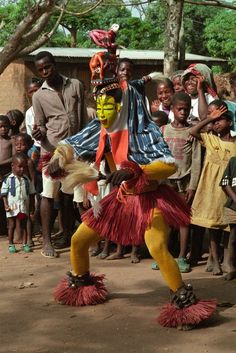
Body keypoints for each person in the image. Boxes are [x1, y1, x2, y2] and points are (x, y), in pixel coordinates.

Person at [49, 66, 216, 330]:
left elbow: (168, 164)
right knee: (79, 241)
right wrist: (59, 159)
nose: (102, 113)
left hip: (151, 200)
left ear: (122, 106)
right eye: (99, 106)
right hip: (120, 199)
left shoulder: (143, 129)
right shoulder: (99, 129)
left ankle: (185, 302)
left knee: (157, 247)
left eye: (107, 107)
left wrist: (135, 170)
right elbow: (69, 144)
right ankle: (81, 285)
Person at [32, 51, 88, 258]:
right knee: (48, 194)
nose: (45, 71)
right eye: (41, 69)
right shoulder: (38, 96)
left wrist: (85, 147)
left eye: (48, 67)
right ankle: (47, 241)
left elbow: (82, 118)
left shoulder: (75, 85)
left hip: (76, 149)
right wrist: (38, 132)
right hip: (52, 151)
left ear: (54, 64)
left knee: (79, 196)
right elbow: (40, 125)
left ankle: (86, 237)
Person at [190, 100, 236, 275]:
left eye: (221, 120)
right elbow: (193, 131)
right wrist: (209, 118)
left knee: (228, 226)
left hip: (229, 190)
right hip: (211, 190)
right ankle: (215, 259)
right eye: (214, 121)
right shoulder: (210, 139)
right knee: (213, 226)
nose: (217, 123)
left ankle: (227, 260)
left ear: (230, 122)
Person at [159, 92, 202, 272]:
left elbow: (197, 161)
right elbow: (158, 156)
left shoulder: (192, 133)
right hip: (166, 181)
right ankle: (165, 256)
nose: (183, 112)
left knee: (184, 220)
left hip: (184, 182)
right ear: (173, 110)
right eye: (180, 109)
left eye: (186, 109)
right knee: (166, 219)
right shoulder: (164, 130)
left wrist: (192, 185)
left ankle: (182, 257)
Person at [1, 153, 35, 253]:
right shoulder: (8, 179)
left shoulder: (26, 180)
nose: (22, 169)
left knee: (23, 225)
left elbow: (32, 194)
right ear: (13, 166)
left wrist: (32, 207)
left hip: (22, 208)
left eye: (24, 167)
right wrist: (6, 205)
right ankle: (11, 244)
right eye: (19, 167)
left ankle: (25, 244)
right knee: (11, 225)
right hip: (12, 208)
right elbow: (3, 194)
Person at [220, 157, 236, 280]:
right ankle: (231, 267)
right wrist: (235, 198)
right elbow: (225, 183)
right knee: (233, 238)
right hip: (233, 206)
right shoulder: (233, 161)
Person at [0, 115, 14, 235]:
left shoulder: (12, 141)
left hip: (7, 175)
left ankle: (6, 228)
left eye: (5, 126)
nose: (3, 129)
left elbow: (14, 157)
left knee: (7, 201)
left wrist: (1, 163)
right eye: (0, 127)